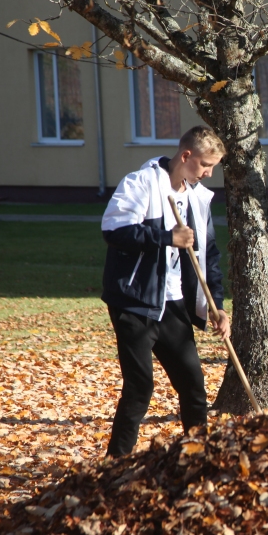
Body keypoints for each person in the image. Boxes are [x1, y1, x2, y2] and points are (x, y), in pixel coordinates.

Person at [100, 126, 231, 457]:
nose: (208, 173)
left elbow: (208, 258)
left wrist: (216, 306)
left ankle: (198, 457)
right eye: (205, 165)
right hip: (135, 303)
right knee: (140, 389)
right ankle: (114, 464)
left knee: (193, 386)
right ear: (186, 156)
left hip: (173, 306)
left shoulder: (197, 199)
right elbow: (114, 229)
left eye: (213, 167)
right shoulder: (141, 183)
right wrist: (165, 237)